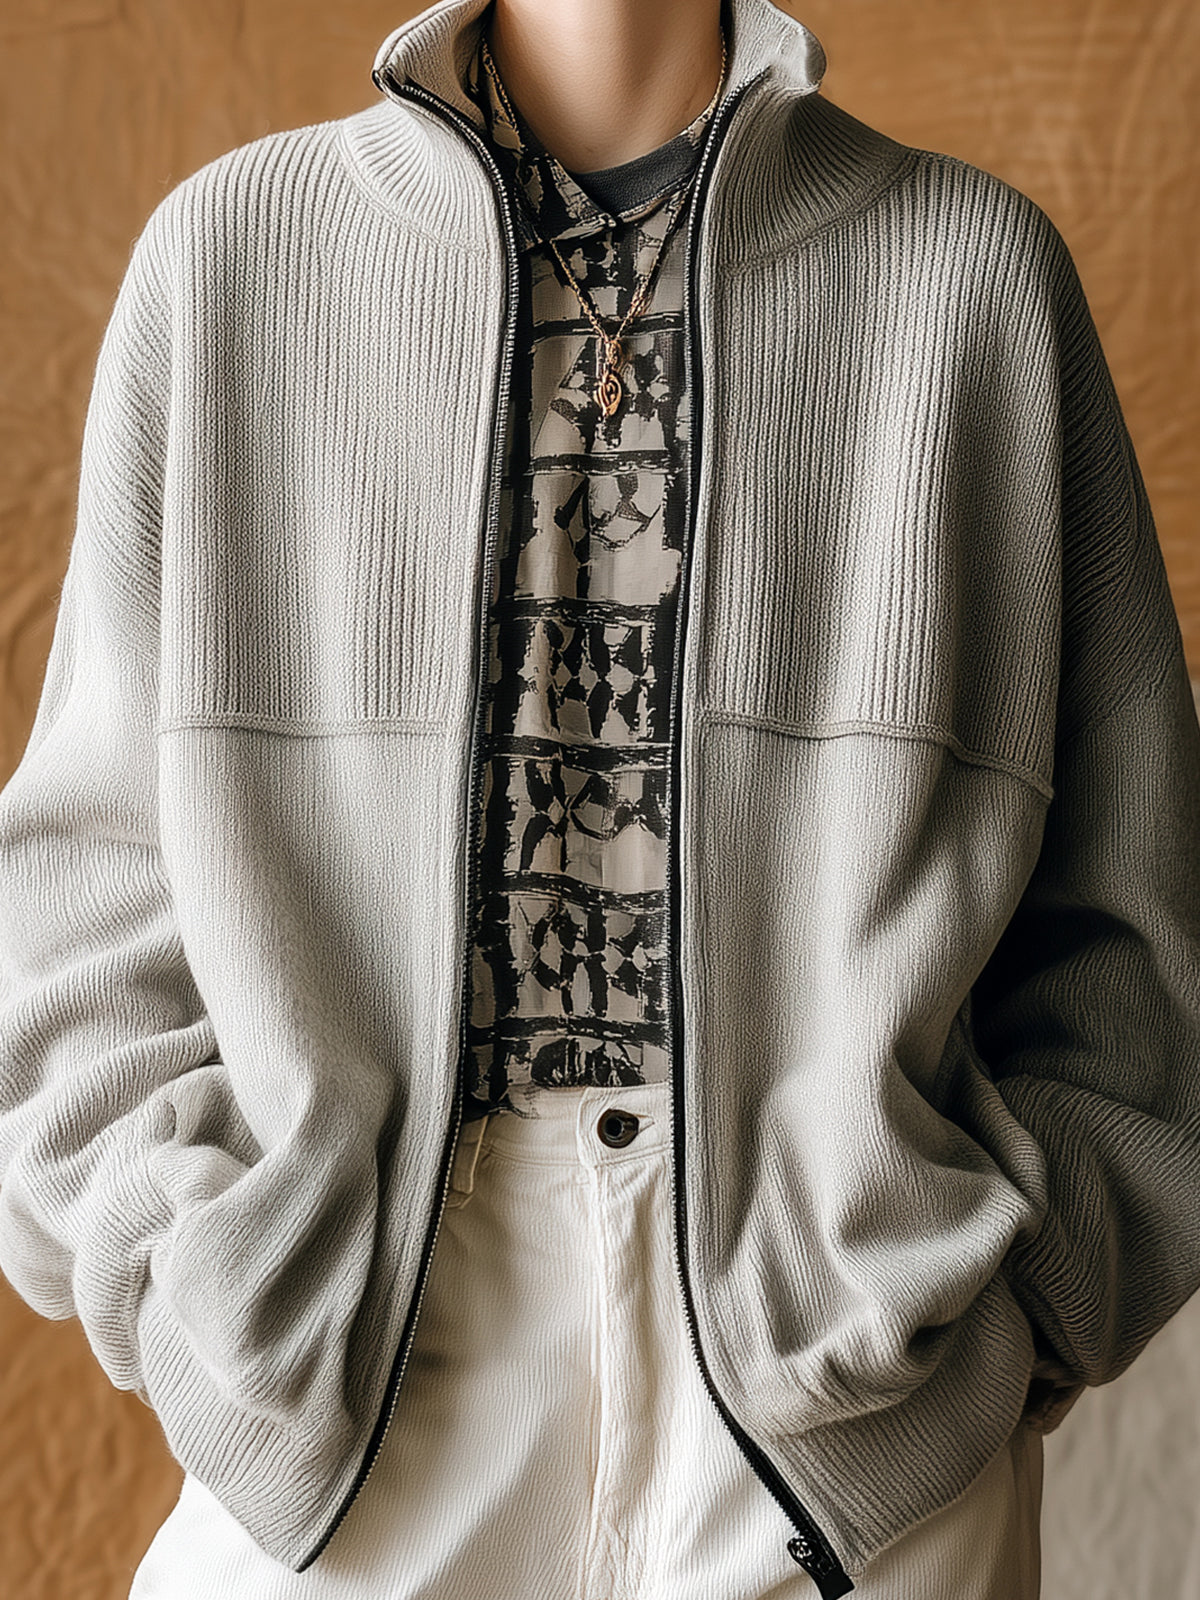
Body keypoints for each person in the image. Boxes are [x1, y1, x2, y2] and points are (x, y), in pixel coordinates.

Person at [1, 0, 1198, 1594]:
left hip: (845, 1372)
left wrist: (1018, 1305)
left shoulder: (971, 274)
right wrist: (182, 1272)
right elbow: (82, 892)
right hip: (350, 1353)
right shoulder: (233, 259)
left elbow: (1136, 930)